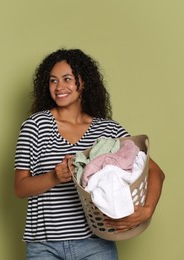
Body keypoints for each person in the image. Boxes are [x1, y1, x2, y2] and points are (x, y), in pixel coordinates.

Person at [13, 49, 165, 259]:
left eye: (67, 79)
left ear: (83, 83)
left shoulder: (108, 130)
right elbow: (20, 187)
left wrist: (147, 210)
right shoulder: (35, 126)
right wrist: (55, 177)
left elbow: (155, 171)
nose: (59, 87)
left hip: (96, 245)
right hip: (44, 246)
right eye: (53, 81)